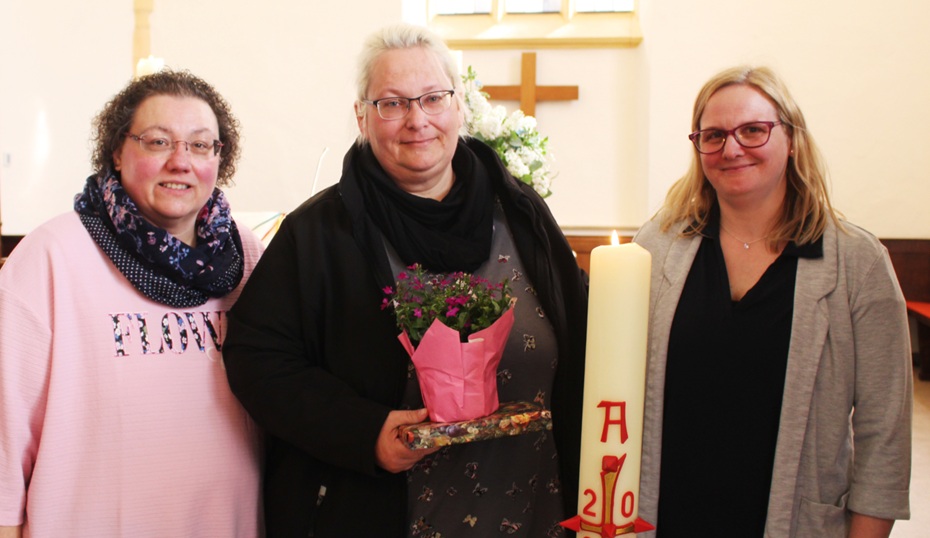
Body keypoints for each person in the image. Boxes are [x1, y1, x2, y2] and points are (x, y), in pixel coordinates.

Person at [223, 23, 588, 538]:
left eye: (434, 98)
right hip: (378, 514)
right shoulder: (319, 233)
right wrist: (365, 431)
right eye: (392, 103)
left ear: (459, 106)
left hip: (533, 508)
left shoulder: (521, 213)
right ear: (361, 116)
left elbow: (581, 330)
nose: (418, 120)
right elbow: (256, 358)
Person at [633, 65, 912, 537]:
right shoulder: (656, 248)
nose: (732, 149)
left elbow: (884, 434)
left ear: (792, 139)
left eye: (753, 130)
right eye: (714, 135)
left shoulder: (857, 263)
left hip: (791, 523)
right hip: (668, 518)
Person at [0, 69, 264, 537]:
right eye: (158, 141)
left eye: (200, 144)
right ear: (118, 152)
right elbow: (6, 423)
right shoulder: (52, 255)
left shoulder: (245, 256)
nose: (181, 161)